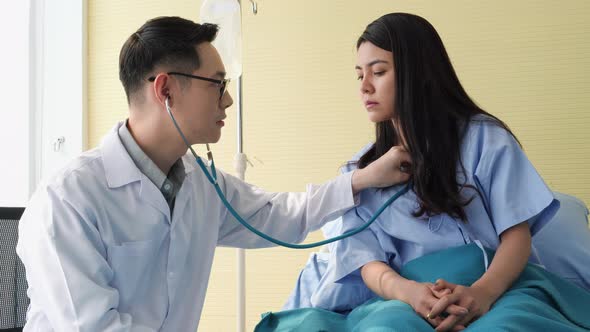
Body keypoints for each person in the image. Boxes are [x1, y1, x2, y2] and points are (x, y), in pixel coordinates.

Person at [15, 16, 412, 331]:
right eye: (217, 84)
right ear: (166, 91)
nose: (229, 99)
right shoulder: (67, 200)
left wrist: (363, 178)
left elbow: (280, 216)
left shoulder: (200, 182)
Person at [279, 12, 590, 331]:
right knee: (386, 327)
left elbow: (516, 236)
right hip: (402, 298)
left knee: (508, 325)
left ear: (419, 73)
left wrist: (481, 294)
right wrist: (409, 293)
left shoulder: (486, 139)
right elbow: (366, 261)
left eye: (379, 72)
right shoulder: (360, 172)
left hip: (495, 290)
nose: (365, 87)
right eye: (360, 75)